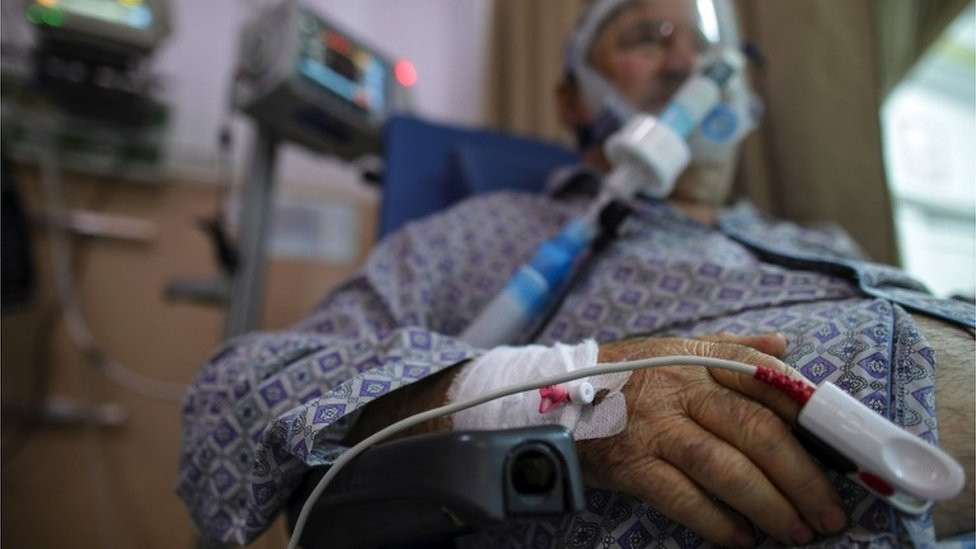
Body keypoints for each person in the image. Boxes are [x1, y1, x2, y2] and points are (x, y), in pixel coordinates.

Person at [178, 0, 975, 546]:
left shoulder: (816, 238)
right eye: (649, 35)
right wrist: (575, 393)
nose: (690, 63)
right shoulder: (481, 236)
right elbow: (238, 391)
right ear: (570, 97)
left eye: (705, 45)